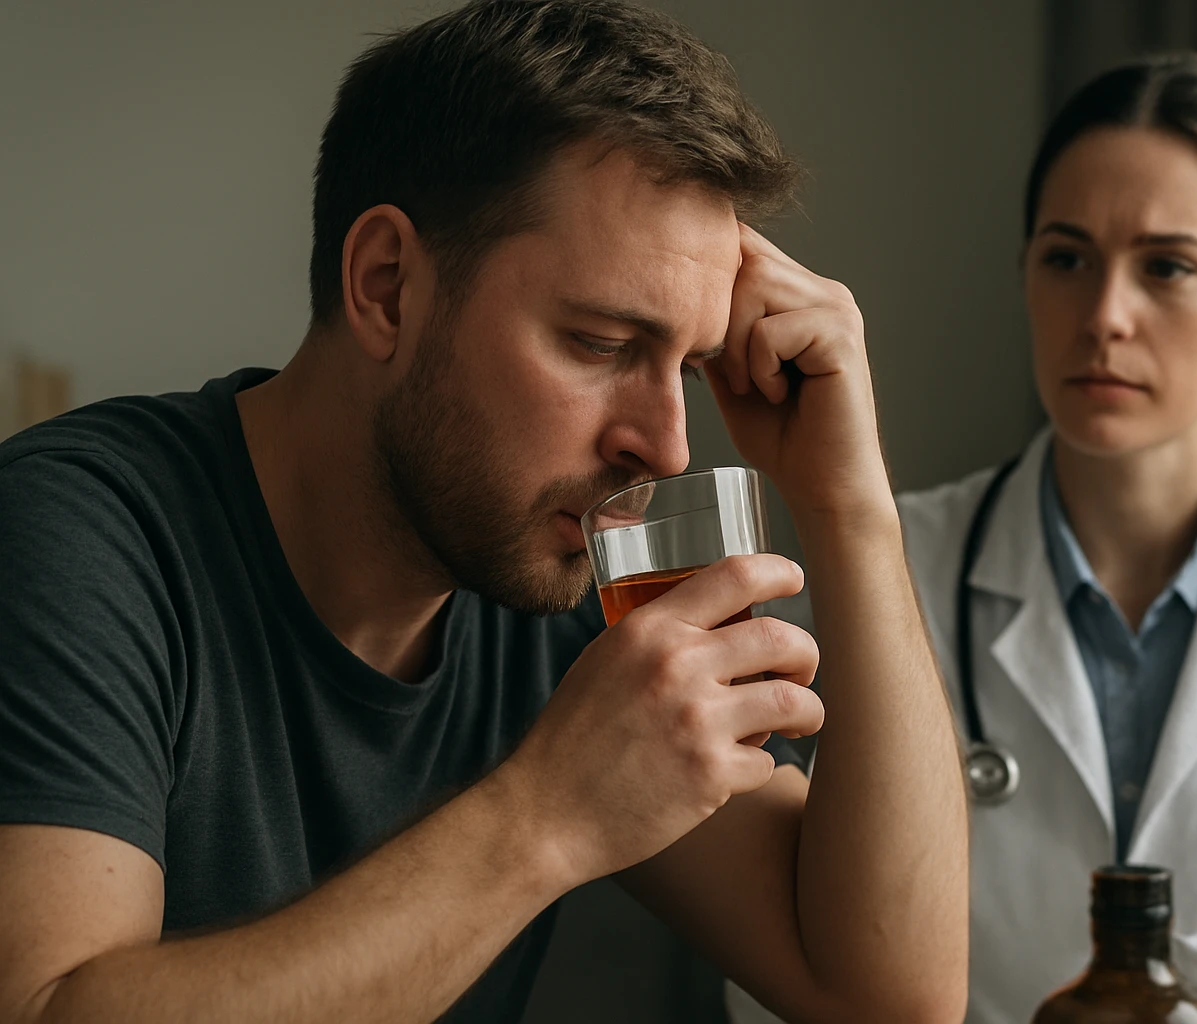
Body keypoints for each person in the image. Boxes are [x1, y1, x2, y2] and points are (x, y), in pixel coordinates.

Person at [0, 3, 970, 1023]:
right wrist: (546, 817)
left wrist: (849, 502)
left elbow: (890, 996)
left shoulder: (554, 582)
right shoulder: (77, 537)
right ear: (386, 287)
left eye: (686, 364)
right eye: (601, 344)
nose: (669, 445)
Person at [731, 52, 1197, 1024]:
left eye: (1168, 267)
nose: (1104, 316)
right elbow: (777, 987)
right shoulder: (881, 568)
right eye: (1067, 258)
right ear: (1024, 273)